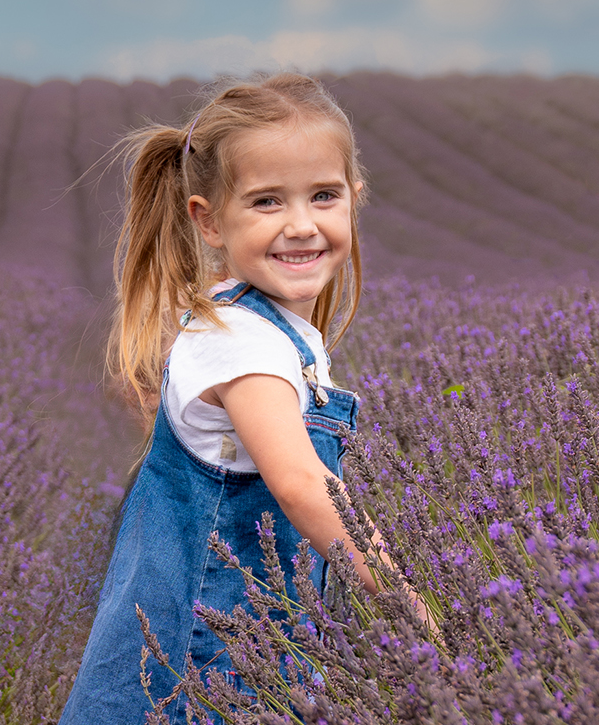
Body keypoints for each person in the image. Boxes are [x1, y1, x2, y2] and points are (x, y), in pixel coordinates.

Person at [58, 74, 421, 723]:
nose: (301, 225)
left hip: (238, 635)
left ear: (353, 200)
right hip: (205, 662)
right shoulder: (245, 346)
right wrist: (401, 594)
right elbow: (300, 486)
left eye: (323, 196)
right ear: (208, 219)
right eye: (266, 203)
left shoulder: (241, 321)